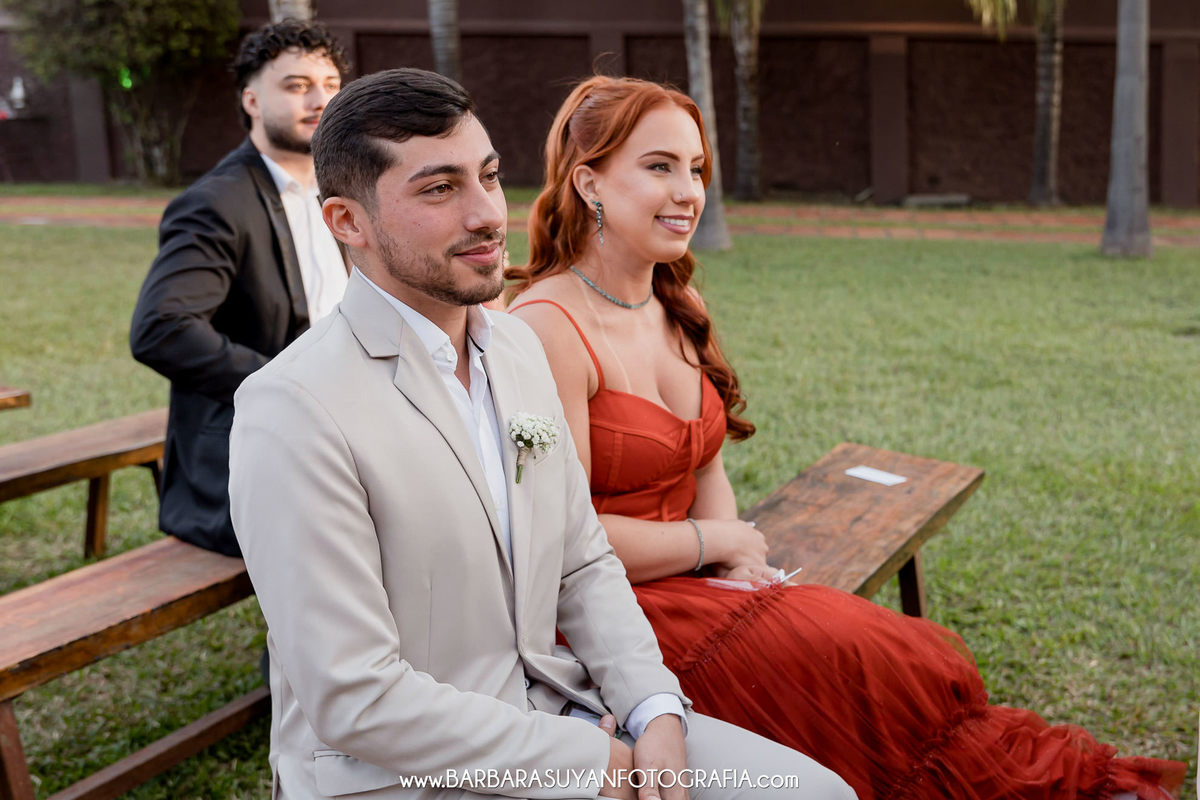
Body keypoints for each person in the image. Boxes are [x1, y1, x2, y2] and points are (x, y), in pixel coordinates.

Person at [506, 75, 1187, 800]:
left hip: (700, 581)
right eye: (659, 166)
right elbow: (565, 543)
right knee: (853, 660)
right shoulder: (547, 327)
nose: (687, 192)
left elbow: (706, 470)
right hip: (613, 613)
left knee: (889, 664)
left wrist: (735, 564)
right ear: (589, 182)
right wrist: (718, 543)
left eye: (696, 169)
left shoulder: (677, 300)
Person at [227, 67, 856, 800]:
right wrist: (589, 764)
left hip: (562, 709)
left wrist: (655, 710)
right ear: (347, 222)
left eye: (489, 177)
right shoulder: (292, 408)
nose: (487, 214)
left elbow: (581, 561)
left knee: (819, 795)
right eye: (440, 189)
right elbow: (356, 698)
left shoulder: (517, 349)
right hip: (403, 777)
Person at [129, 19, 350, 556]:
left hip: (343, 433)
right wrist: (285, 389)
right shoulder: (216, 202)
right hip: (250, 453)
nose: (319, 100)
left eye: (330, 85)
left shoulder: (343, 191)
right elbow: (162, 329)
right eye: (296, 86)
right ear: (251, 100)